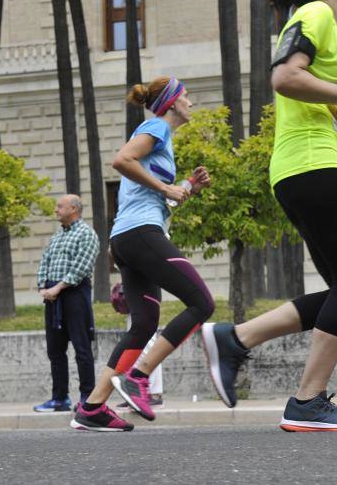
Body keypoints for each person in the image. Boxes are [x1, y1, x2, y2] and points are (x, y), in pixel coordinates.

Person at [201, 0, 337, 432]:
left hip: (300, 165)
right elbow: (283, 78)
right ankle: (308, 400)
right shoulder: (316, 14)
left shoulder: (320, 24)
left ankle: (234, 339)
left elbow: (303, 93)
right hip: (311, 164)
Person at [71, 76, 213, 432]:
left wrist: (186, 188)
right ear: (173, 102)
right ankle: (140, 376)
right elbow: (121, 160)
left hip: (129, 237)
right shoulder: (156, 128)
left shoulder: (162, 140)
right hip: (139, 233)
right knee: (202, 303)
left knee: (145, 323)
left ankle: (92, 407)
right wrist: (167, 186)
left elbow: (155, 198)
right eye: (186, 96)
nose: (191, 102)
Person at [34, 194, 100, 412]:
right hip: (53, 297)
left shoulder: (87, 234)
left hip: (74, 294)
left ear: (73, 209)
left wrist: (58, 287)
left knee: (82, 348)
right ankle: (60, 398)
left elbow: (81, 267)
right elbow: (45, 260)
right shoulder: (56, 236)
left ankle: (88, 397)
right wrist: (43, 287)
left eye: (59, 206)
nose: (56, 210)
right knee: (55, 349)